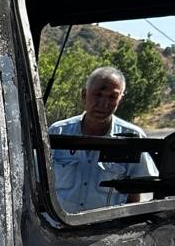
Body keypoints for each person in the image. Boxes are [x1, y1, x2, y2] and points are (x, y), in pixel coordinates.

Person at [48, 65, 157, 213]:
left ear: (121, 100)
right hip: (58, 228)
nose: (104, 104)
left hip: (106, 231)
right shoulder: (58, 132)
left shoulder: (133, 138)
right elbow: (38, 183)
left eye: (112, 97)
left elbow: (135, 194)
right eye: (98, 95)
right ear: (84, 94)